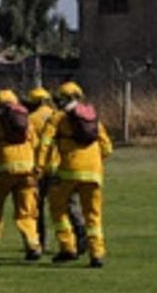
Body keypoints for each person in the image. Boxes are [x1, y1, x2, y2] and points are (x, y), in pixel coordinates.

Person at [35, 81, 113, 268]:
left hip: (68, 171)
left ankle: (67, 247)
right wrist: (95, 163)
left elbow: (45, 143)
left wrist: (41, 167)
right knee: (93, 216)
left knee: (58, 208)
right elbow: (107, 147)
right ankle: (97, 254)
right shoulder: (93, 117)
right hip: (94, 173)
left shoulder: (58, 118)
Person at [0, 89, 42, 260]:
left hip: (2, 171)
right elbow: (35, 144)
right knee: (26, 211)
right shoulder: (27, 121)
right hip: (27, 171)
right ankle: (32, 244)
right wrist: (37, 169)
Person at [25, 86, 86, 253]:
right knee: (70, 204)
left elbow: (32, 144)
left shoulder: (30, 119)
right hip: (61, 167)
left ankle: (41, 242)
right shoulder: (60, 116)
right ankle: (80, 234)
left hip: (41, 167)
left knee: (37, 206)